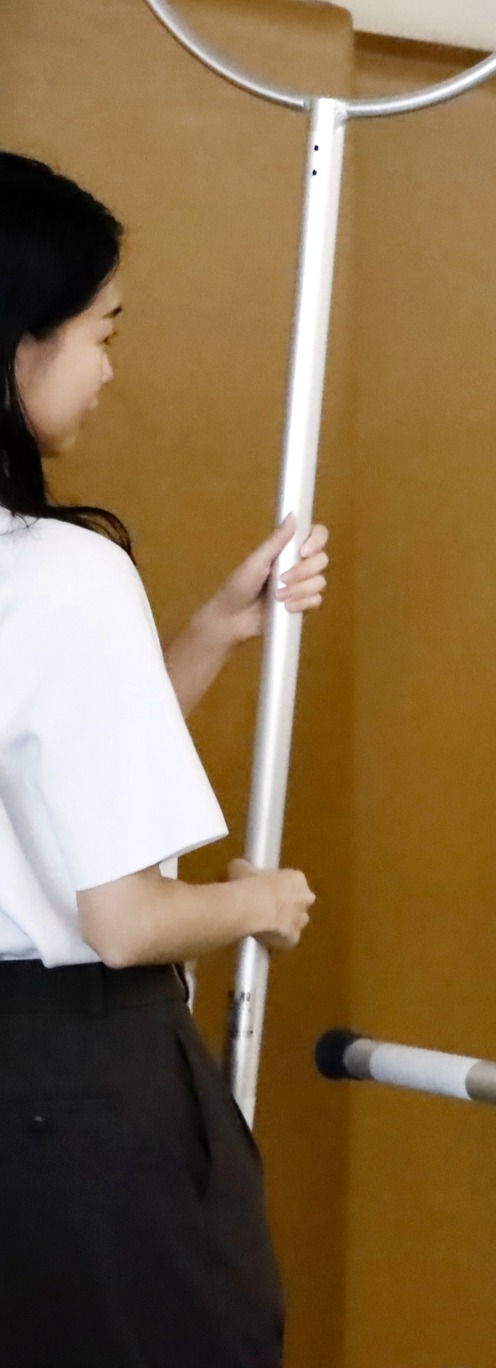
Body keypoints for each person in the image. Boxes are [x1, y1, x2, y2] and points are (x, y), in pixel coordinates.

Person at [0, 151, 325, 1367]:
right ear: (18, 344)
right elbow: (126, 919)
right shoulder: (60, 574)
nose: (108, 369)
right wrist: (261, 902)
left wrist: (210, 633)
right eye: (100, 332)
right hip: (69, 1088)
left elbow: (49, 776)